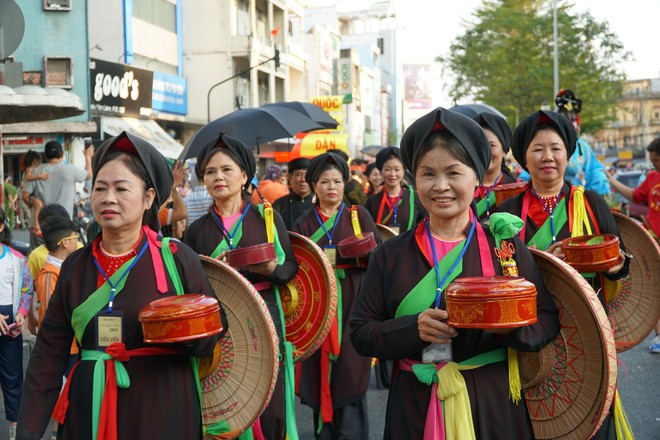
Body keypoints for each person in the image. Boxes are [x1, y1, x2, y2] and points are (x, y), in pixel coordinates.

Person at [350, 107, 560, 439]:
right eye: (428, 174)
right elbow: (361, 333)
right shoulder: (389, 255)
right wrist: (413, 328)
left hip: (491, 402)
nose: (441, 186)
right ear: (414, 179)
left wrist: (508, 328)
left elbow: (547, 319)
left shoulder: (504, 248)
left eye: (453, 173)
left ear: (477, 177)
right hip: (414, 404)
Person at [16, 131, 227, 439]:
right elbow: (48, 355)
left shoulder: (177, 259)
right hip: (91, 411)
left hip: (163, 409)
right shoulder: (76, 266)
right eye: (100, 188)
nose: (108, 198)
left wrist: (185, 335)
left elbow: (215, 329)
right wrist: (28, 431)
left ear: (149, 198)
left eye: (121, 188)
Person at [497, 109, 631, 439]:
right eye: (537, 149)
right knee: (536, 421)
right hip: (529, 335)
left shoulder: (591, 203)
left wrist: (615, 266)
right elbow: (493, 273)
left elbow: (621, 263)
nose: (547, 157)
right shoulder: (506, 212)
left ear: (567, 154)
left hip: (585, 331)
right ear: (523, 158)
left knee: (590, 421)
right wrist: (537, 261)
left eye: (556, 148)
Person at [183, 132, 298, 440]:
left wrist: (271, 269)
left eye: (226, 169)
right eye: (210, 171)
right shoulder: (197, 230)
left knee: (270, 409)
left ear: (245, 175)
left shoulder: (267, 218)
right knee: (226, 407)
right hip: (220, 327)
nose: (218, 177)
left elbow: (291, 269)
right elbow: (185, 287)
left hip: (264, 320)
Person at [292, 152, 381, 439]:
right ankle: (325, 432)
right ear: (314, 186)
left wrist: (364, 254)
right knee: (318, 368)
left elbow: (378, 259)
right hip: (318, 305)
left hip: (354, 301)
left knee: (351, 368)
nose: (332, 187)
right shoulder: (303, 223)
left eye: (337, 181)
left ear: (345, 184)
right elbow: (296, 263)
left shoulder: (359, 215)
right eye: (324, 181)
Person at [518, 89, 611, 196]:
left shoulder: (583, 147)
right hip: (542, 194)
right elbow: (529, 170)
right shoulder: (543, 141)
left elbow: (595, 171)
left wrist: (595, 198)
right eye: (565, 120)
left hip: (575, 199)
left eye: (572, 120)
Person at [21, 141, 93, 249]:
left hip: (40, 227)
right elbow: (88, 175)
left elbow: (24, 196)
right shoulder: (70, 170)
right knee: (63, 261)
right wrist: (88, 156)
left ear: (45, 156)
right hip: (63, 228)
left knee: (37, 261)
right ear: (62, 155)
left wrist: (35, 203)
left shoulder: (35, 172)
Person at [0, 207, 33, 440]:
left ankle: (14, 426)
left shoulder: (17, 259)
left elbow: (25, 289)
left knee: (12, 378)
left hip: (9, 323)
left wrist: (21, 314)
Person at [364, 147, 426, 235]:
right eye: (387, 169)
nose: (392, 174)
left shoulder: (416, 198)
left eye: (397, 169)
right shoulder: (372, 202)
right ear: (381, 171)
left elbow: (424, 228)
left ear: (403, 171)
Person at [471, 112, 517, 219]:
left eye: (491, 145)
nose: (484, 152)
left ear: (504, 150)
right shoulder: (461, 188)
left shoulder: (517, 189)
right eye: (478, 145)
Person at [273, 157, 314, 230]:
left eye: (306, 175)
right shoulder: (279, 205)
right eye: (298, 174)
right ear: (290, 178)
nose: (303, 179)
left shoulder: (319, 203)